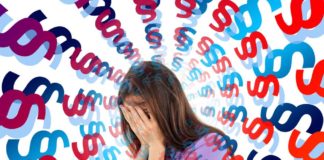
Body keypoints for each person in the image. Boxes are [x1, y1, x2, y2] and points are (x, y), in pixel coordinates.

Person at [117, 61, 232, 160]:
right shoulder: (151, 149)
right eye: (131, 116)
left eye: (144, 113)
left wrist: (156, 147)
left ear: (167, 106)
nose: (140, 125)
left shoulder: (211, 144)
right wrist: (146, 147)